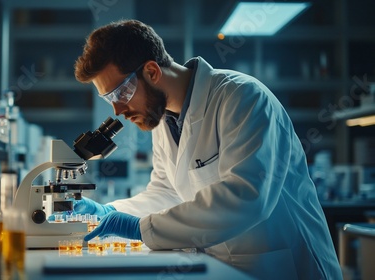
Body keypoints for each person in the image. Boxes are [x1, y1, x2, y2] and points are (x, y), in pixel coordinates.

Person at [73, 19, 342, 280]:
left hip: (284, 265)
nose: (117, 110)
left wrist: (141, 228)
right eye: (109, 99)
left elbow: (247, 196)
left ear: (152, 72)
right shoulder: (163, 121)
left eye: (120, 93)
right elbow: (167, 193)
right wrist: (110, 212)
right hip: (226, 266)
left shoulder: (243, 98)